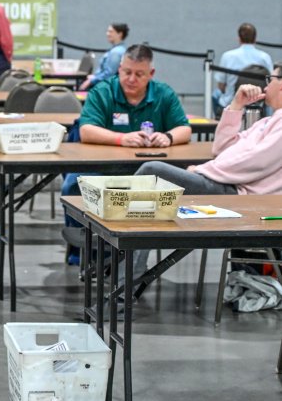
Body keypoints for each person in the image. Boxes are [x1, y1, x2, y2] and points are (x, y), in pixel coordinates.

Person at [129, 65, 282, 292]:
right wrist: (236, 106)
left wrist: (202, 172)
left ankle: (124, 282)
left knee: (152, 172)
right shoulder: (266, 122)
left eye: (271, 78)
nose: (266, 84)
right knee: (149, 190)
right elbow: (221, 149)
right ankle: (125, 273)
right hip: (226, 185)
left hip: (240, 197)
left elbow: (252, 162)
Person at [61, 44, 193, 264]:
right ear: (119, 69)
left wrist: (168, 137)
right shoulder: (102, 91)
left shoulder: (164, 94)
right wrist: (121, 139)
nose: (131, 79)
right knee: (72, 186)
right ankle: (85, 252)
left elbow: (184, 129)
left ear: (151, 74)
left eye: (139, 74)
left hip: (144, 172)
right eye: (127, 72)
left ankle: (132, 252)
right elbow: (86, 130)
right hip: (101, 168)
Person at [212, 23, 272, 115]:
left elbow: (221, 86)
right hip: (259, 104)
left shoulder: (228, 56)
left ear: (239, 38)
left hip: (232, 103)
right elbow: (270, 83)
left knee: (215, 94)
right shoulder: (265, 57)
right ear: (255, 39)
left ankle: (217, 124)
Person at [79, 23, 129, 90]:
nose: (107, 34)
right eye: (107, 31)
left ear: (120, 34)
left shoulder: (116, 52)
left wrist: (92, 80)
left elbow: (109, 74)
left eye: (111, 32)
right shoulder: (116, 50)